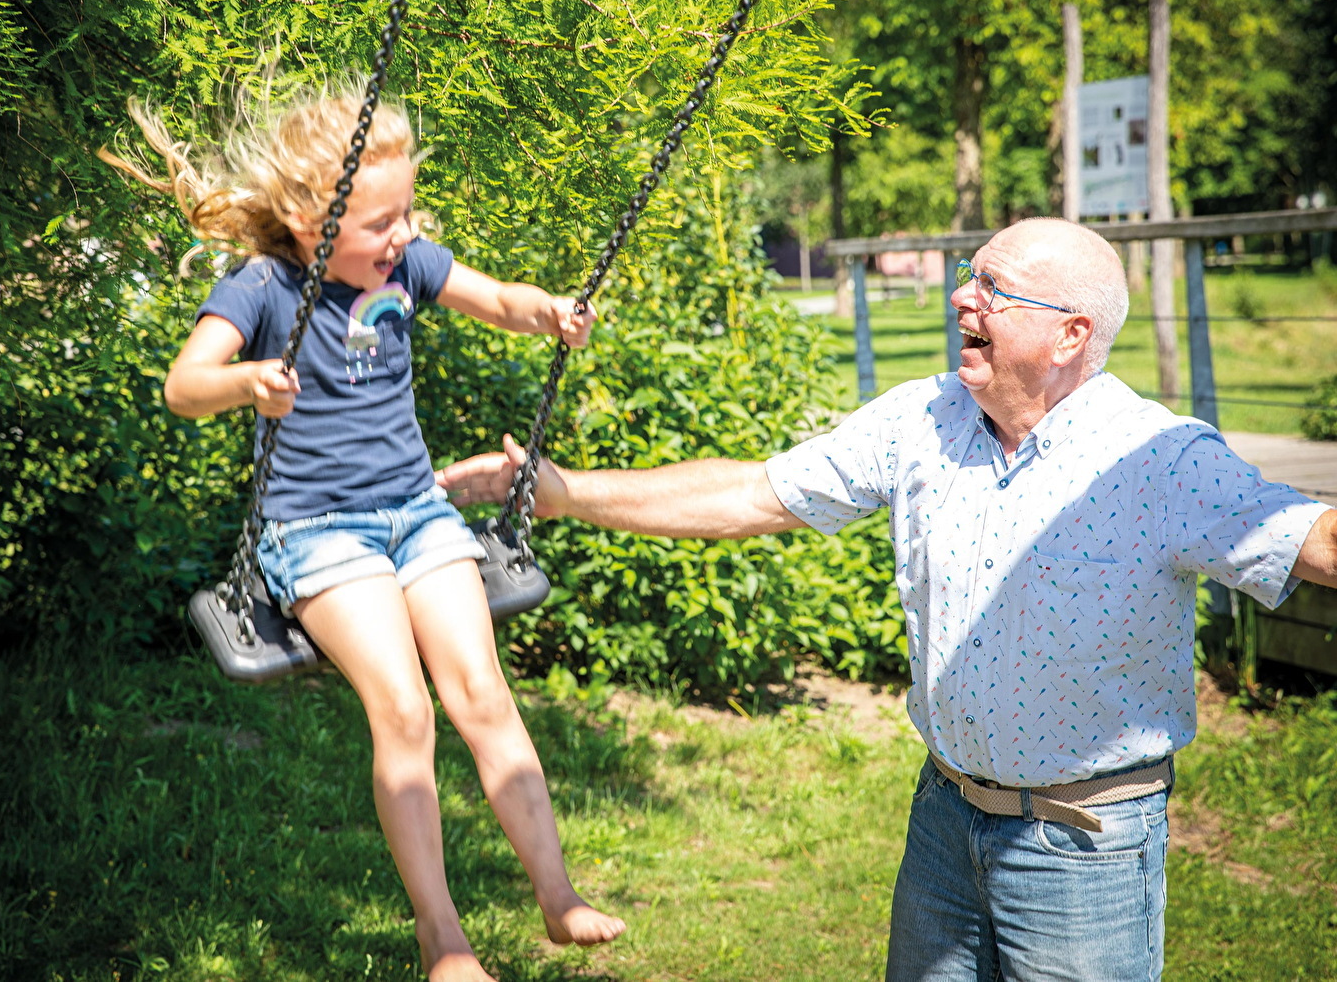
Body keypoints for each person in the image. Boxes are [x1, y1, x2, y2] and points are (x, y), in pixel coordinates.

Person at [437, 217, 1337, 982]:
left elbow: (1316, 541)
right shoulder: (925, 418)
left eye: (995, 289)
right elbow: (755, 495)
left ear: (1070, 336)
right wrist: (564, 493)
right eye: (968, 277)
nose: (962, 300)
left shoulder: (1160, 458)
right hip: (945, 821)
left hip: (1084, 848)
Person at [100, 80, 624, 982]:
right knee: (406, 709)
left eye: (408, 213)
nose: (405, 235)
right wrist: (248, 382)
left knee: (482, 694)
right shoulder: (263, 286)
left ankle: (558, 896)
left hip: (418, 514)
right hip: (314, 534)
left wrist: (547, 313)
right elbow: (184, 387)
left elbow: (495, 298)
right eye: (383, 223)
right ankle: (444, 939)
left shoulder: (406, 265)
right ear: (313, 222)